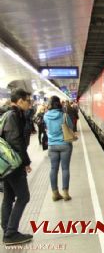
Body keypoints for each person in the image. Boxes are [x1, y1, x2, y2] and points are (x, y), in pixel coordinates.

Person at [0, 89, 33, 245]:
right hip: (13, 164)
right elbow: (16, 142)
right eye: (28, 101)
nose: (29, 103)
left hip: (5, 164)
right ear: (19, 101)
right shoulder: (13, 116)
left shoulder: (7, 114)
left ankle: (6, 228)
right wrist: (25, 162)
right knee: (24, 196)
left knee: (8, 196)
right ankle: (11, 233)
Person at [44, 96, 73, 201]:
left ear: (50, 104)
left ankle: (55, 193)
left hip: (52, 145)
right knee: (65, 168)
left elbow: (46, 127)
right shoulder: (64, 115)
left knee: (53, 169)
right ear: (59, 104)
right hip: (65, 144)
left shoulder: (46, 116)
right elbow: (71, 127)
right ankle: (65, 193)